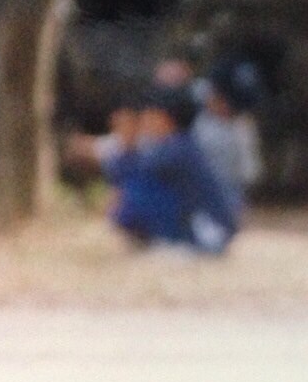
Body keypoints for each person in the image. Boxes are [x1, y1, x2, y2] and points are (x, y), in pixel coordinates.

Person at [70, 84, 240, 255]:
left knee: (136, 190)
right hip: (209, 229)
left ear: (165, 118)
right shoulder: (178, 144)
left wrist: (125, 142)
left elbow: (130, 169)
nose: (144, 121)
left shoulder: (177, 149)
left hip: (209, 233)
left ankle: (174, 242)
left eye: (149, 115)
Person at [191, 57, 265, 213]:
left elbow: (249, 172)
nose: (234, 110)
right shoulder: (185, 112)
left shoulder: (241, 125)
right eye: (230, 102)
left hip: (225, 193)